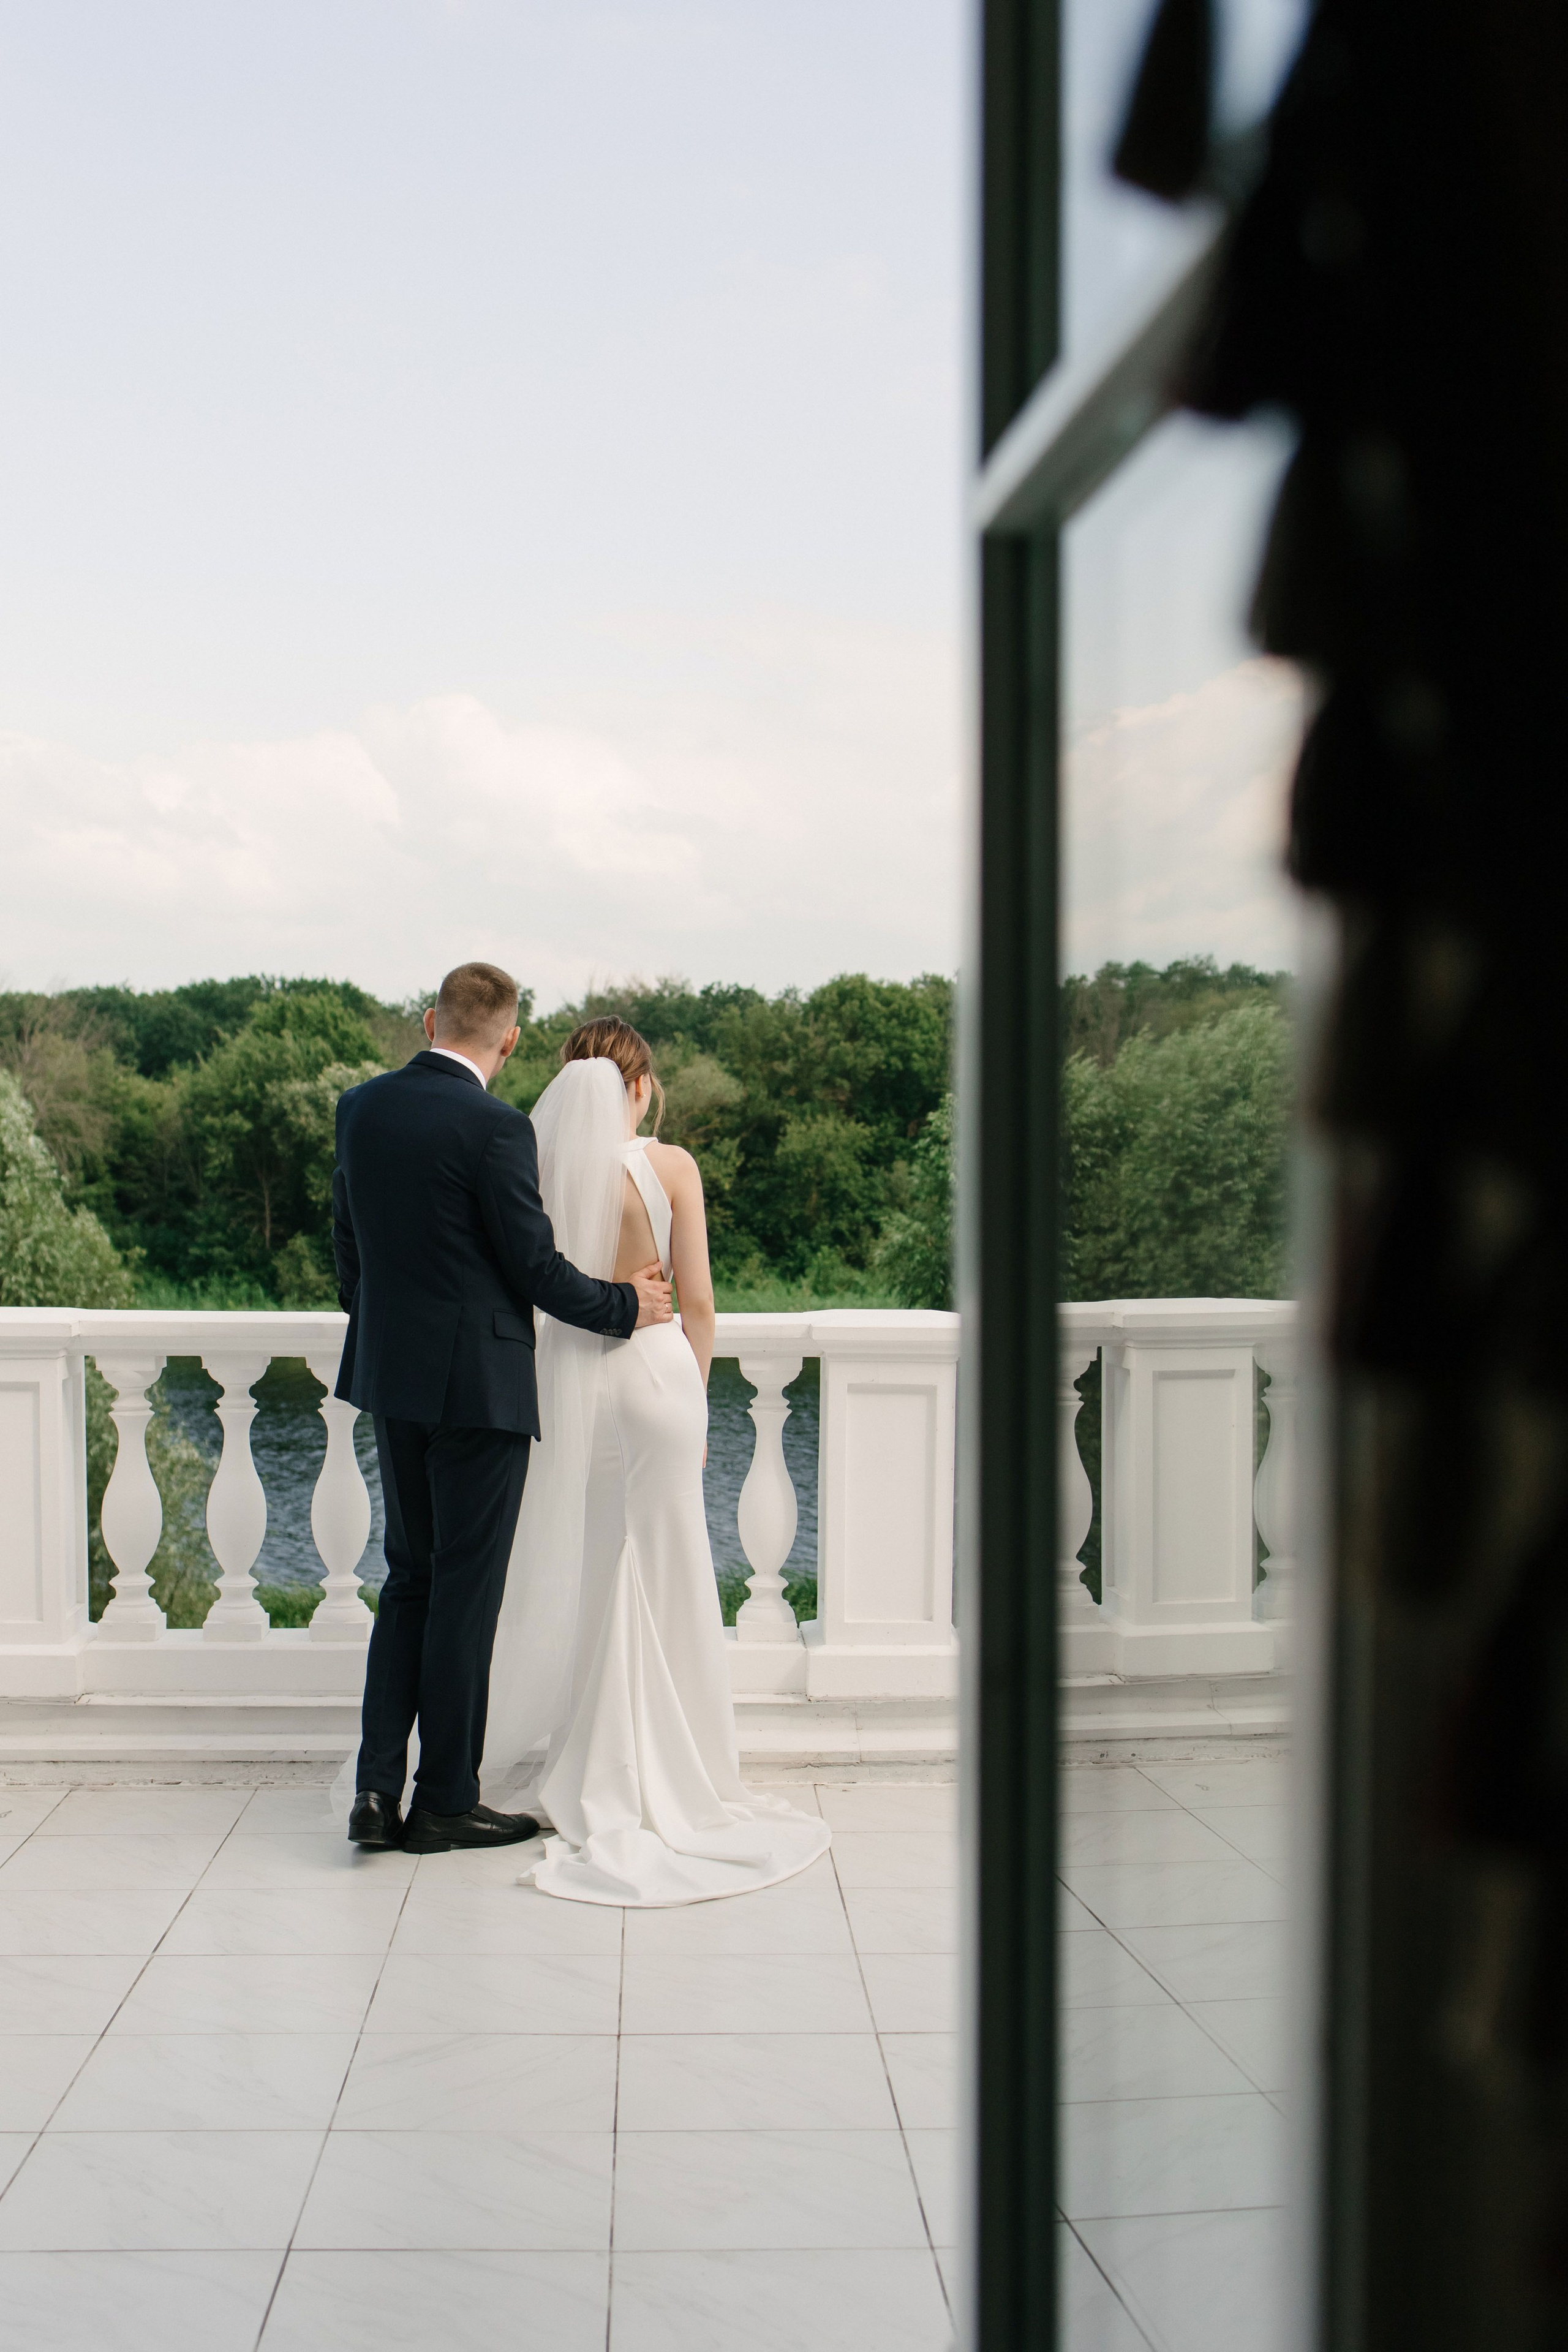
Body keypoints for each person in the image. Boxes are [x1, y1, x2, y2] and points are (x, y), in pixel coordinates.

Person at [478, 1018, 830, 1904]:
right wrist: (696, 1398)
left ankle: (597, 1767)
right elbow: (698, 1299)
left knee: (603, 1570)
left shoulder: (544, 1166)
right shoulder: (669, 1167)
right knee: (671, 1571)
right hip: (658, 1375)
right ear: (639, 1084)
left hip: (578, 1383)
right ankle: (689, 1772)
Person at [331, 962, 673, 1855]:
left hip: (390, 1379)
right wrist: (626, 1306)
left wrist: (390, 1335)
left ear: (428, 1018)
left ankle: (375, 1790)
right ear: (511, 1040)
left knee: (407, 1580)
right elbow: (535, 1269)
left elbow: (349, 1251)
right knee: (466, 1597)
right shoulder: (495, 1128)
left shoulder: (360, 1108)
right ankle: (445, 1799)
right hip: (480, 1391)